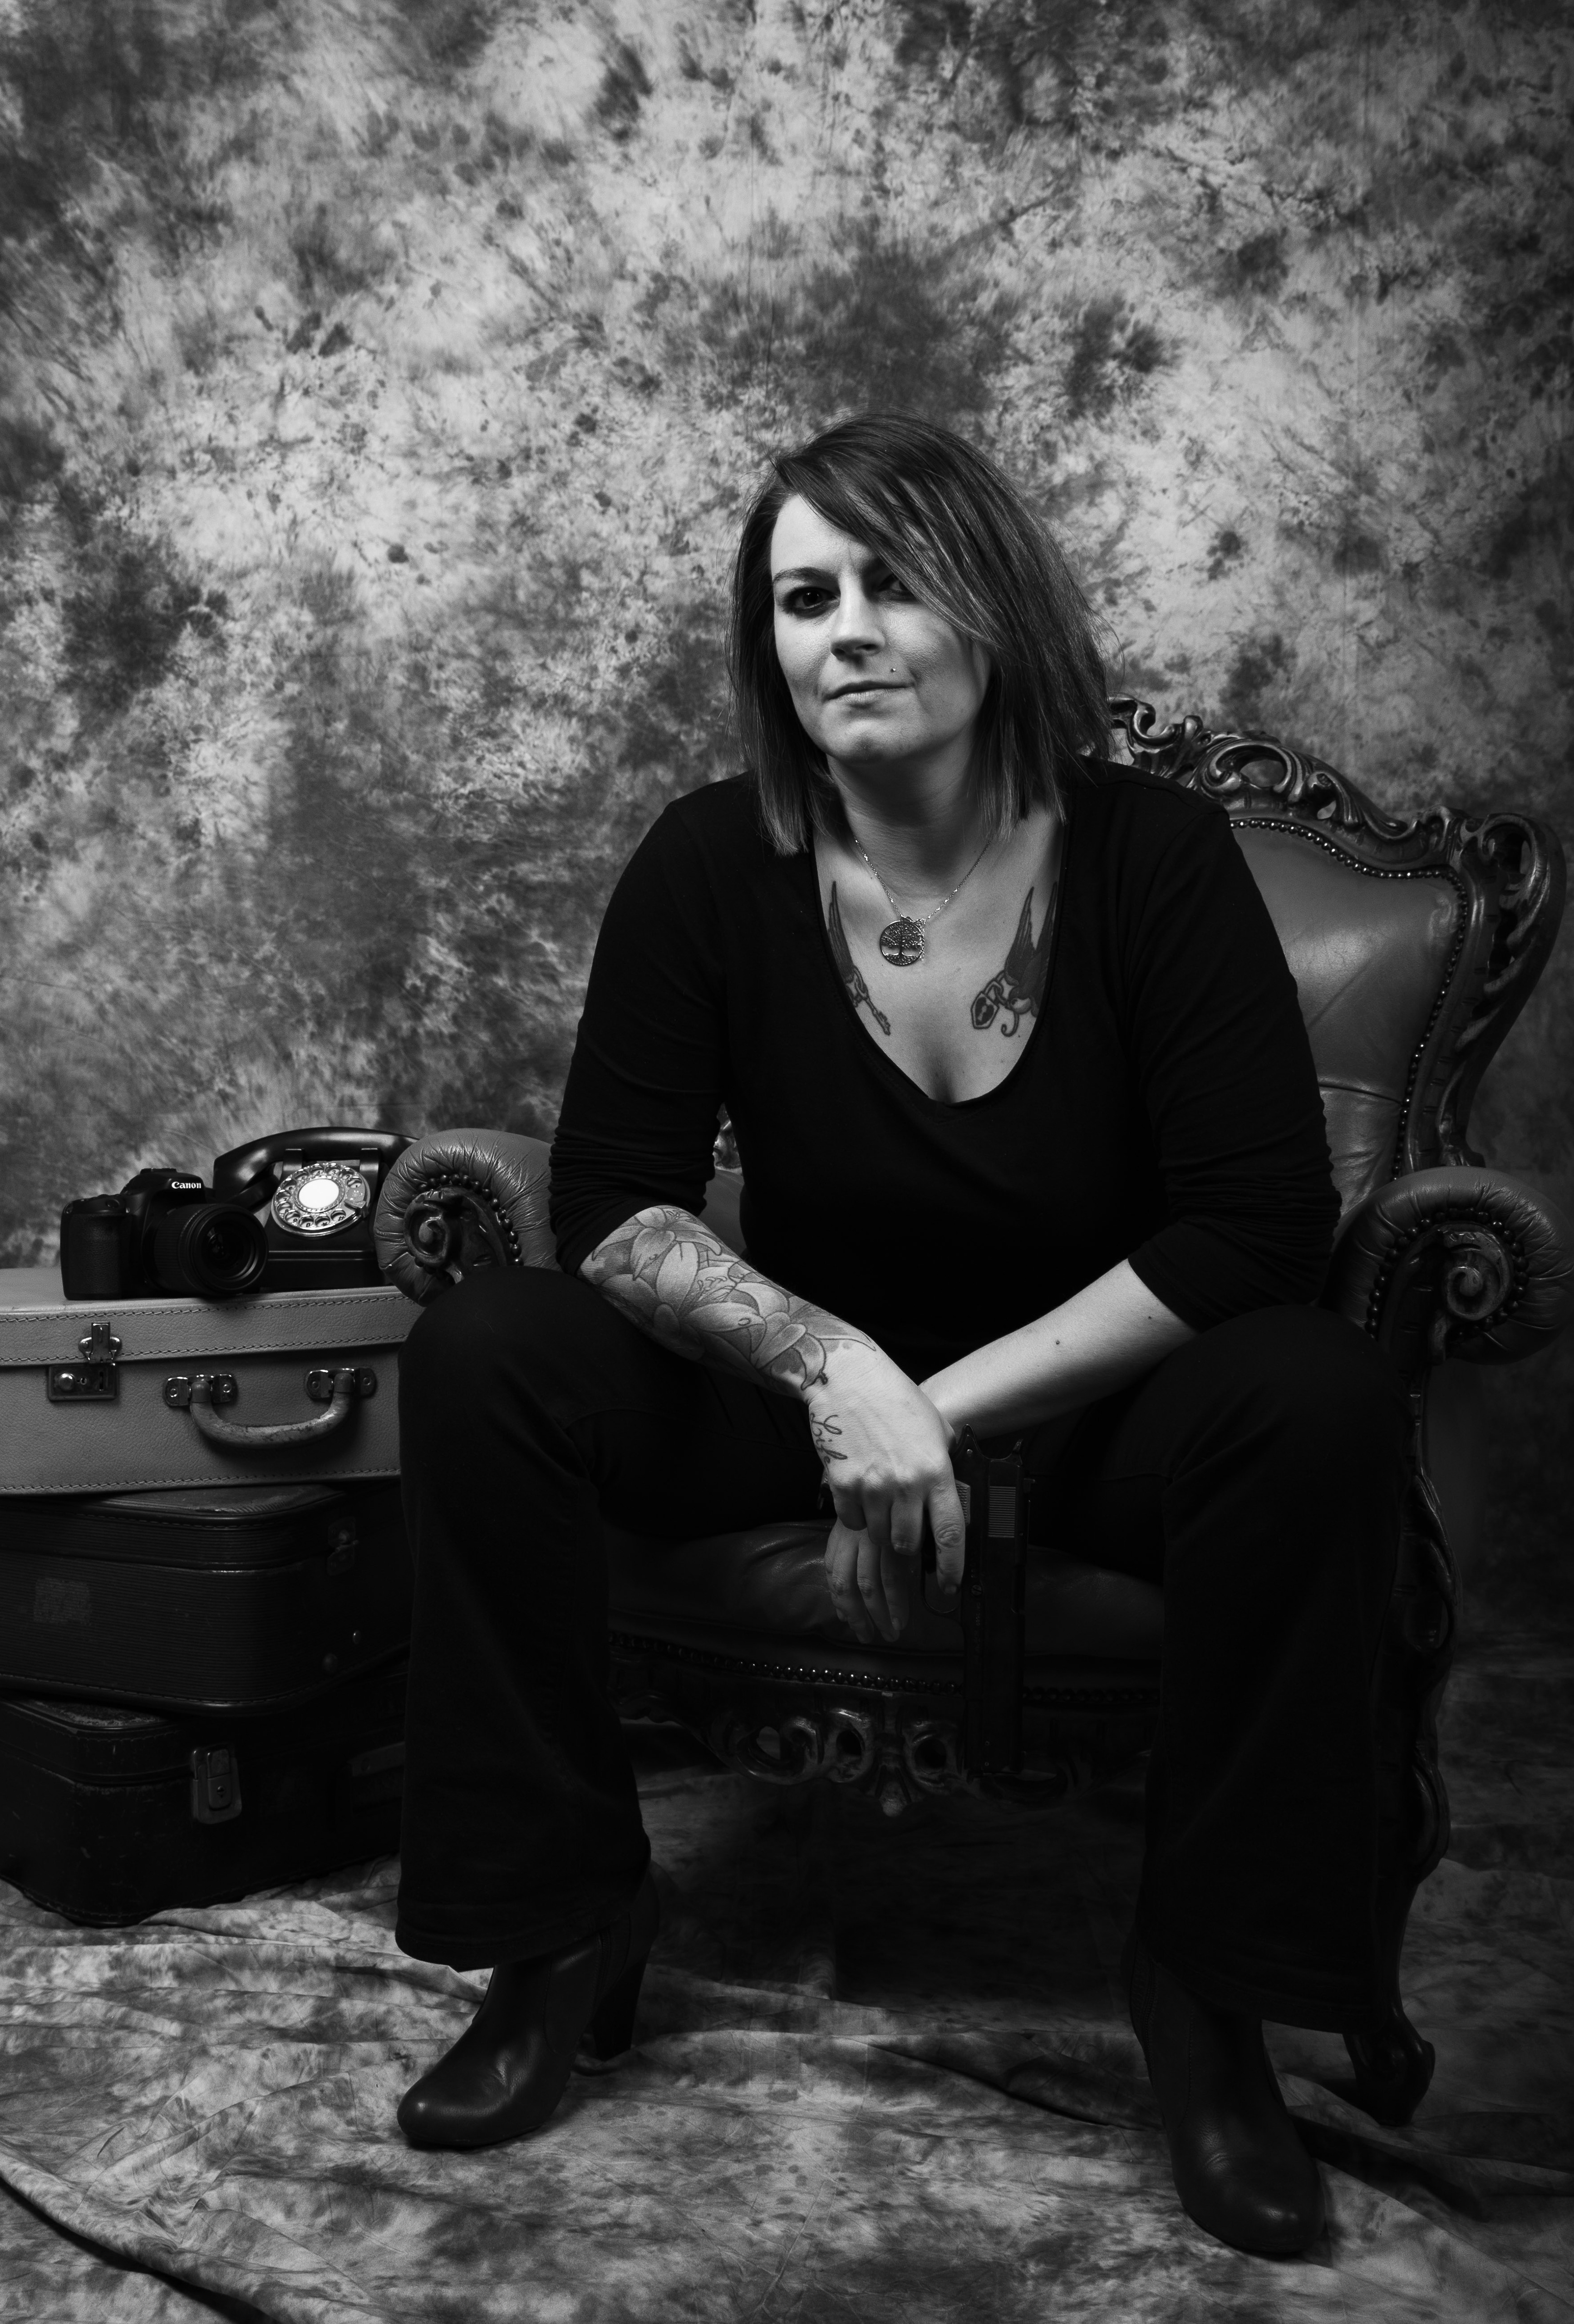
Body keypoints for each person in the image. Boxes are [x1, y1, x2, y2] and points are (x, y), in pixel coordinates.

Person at [390, 414, 1407, 2259]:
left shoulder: (1157, 859)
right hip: (801, 1397)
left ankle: (1210, 1998)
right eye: (803, 599)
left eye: (891, 583)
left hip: (1090, 1411)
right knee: (489, 1353)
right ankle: (557, 1927)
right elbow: (614, 1196)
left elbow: (1258, 1219)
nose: (844, 630)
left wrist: (937, 1406)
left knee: (1317, 1390)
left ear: (994, 608)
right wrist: (836, 1375)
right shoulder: (709, 860)